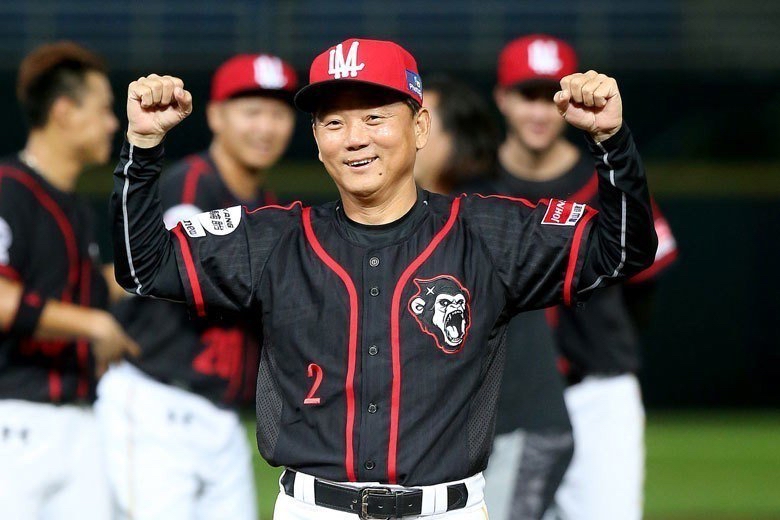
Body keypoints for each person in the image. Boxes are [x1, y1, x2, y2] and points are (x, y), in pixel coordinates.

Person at [110, 38, 657, 519]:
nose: (354, 138)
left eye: (374, 117)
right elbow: (143, 266)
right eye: (333, 122)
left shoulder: (486, 233)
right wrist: (143, 148)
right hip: (313, 508)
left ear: (419, 127)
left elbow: (623, 250)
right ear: (316, 139)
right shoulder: (275, 239)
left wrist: (611, 142)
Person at [95, 52, 298, 520]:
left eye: (278, 113)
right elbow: (160, 274)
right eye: (252, 111)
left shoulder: (266, 208)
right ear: (216, 116)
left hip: (220, 416)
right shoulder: (190, 186)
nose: (266, 127)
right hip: (157, 402)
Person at [489, 34, 679, 520]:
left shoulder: (607, 180)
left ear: (567, 101)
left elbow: (644, 284)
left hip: (596, 393)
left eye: (547, 96)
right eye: (526, 95)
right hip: (508, 398)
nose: (538, 111)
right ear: (502, 98)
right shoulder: (477, 190)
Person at [414, 76, 574, 520]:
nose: (408, 135)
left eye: (422, 122)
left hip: (519, 427)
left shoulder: (482, 213)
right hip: (488, 435)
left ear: (456, 138)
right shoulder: (433, 215)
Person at [0, 41, 138, 519]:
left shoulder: (72, 205)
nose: (112, 123)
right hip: (14, 421)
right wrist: (93, 325)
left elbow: (85, 287)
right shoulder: (9, 189)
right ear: (63, 111)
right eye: (102, 109)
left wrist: (169, 267)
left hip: (78, 423)